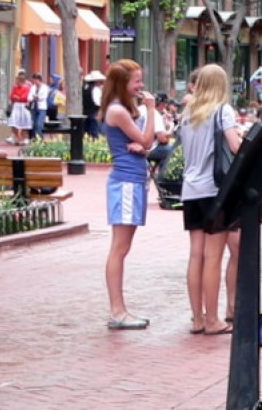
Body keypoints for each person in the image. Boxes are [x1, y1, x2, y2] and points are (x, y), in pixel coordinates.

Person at [177, 64, 242, 336]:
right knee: (213, 256)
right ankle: (214, 318)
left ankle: (197, 318)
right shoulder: (222, 111)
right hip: (215, 190)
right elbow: (235, 147)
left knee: (196, 255)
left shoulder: (187, 113)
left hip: (190, 189)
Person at [101, 59, 158, 330]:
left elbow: (145, 143)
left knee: (122, 248)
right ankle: (117, 311)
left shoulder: (122, 110)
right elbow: (148, 140)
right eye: (136, 81)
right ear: (124, 83)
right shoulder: (118, 112)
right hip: (125, 183)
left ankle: (120, 310)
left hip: (131, 181)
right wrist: (151, 108)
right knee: (119, 249)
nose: (140, 86)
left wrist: (143, 144)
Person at [7, 71, 33, 144]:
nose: (20, 80)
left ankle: (25, 137)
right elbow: (11, 96)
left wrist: (18, 97)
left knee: (25, 122)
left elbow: (25, 97)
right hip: (16, 106)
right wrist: (16, 97)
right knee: (13, 122)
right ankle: (16, 137)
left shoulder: (27, 87)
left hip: (24, 106)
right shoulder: (14, 87)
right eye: (19, 79)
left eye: (21, 79)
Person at [83, 70, 106, 139]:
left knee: (87, 133)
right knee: (95, 133)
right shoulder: (96, 89)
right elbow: (98, 103)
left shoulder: (84, 88)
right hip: (95, 113)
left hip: (85, 113)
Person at [29, 73, 49, 141]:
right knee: (34, 124)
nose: (34, 82)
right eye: (33, 80)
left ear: (39, 80)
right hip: (34, 107)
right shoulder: (33, 87)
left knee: (39, 124)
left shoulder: (45, 87)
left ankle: (40, 139)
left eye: (35, 80)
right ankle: (35, 138)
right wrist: (32, 98)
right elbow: (29, 97)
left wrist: (38, 97)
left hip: (41, 108)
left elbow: (44, 97)